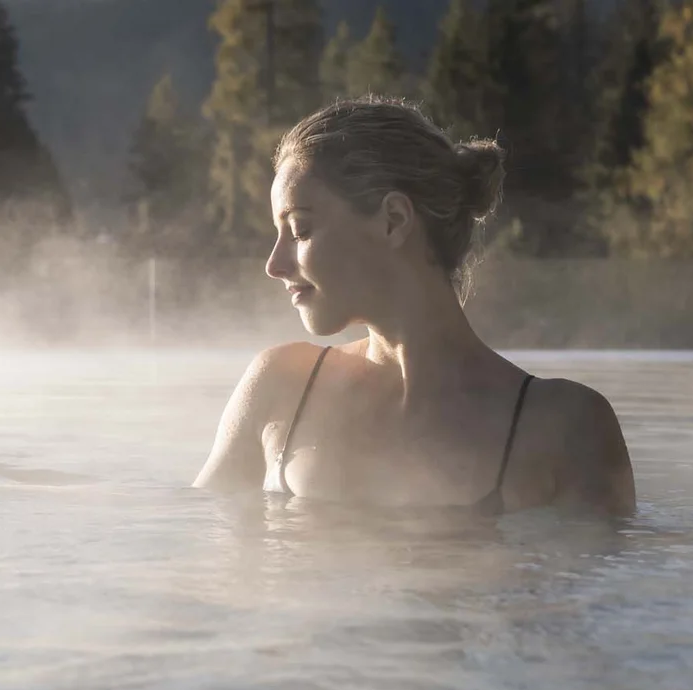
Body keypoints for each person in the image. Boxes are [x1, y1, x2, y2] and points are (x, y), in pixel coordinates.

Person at [193, 97, 636, 518]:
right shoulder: (279, 387)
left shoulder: (561, 426)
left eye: (300, 229)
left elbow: (597, 585)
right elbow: (201, 564)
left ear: (394, 221)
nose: (274, 264)